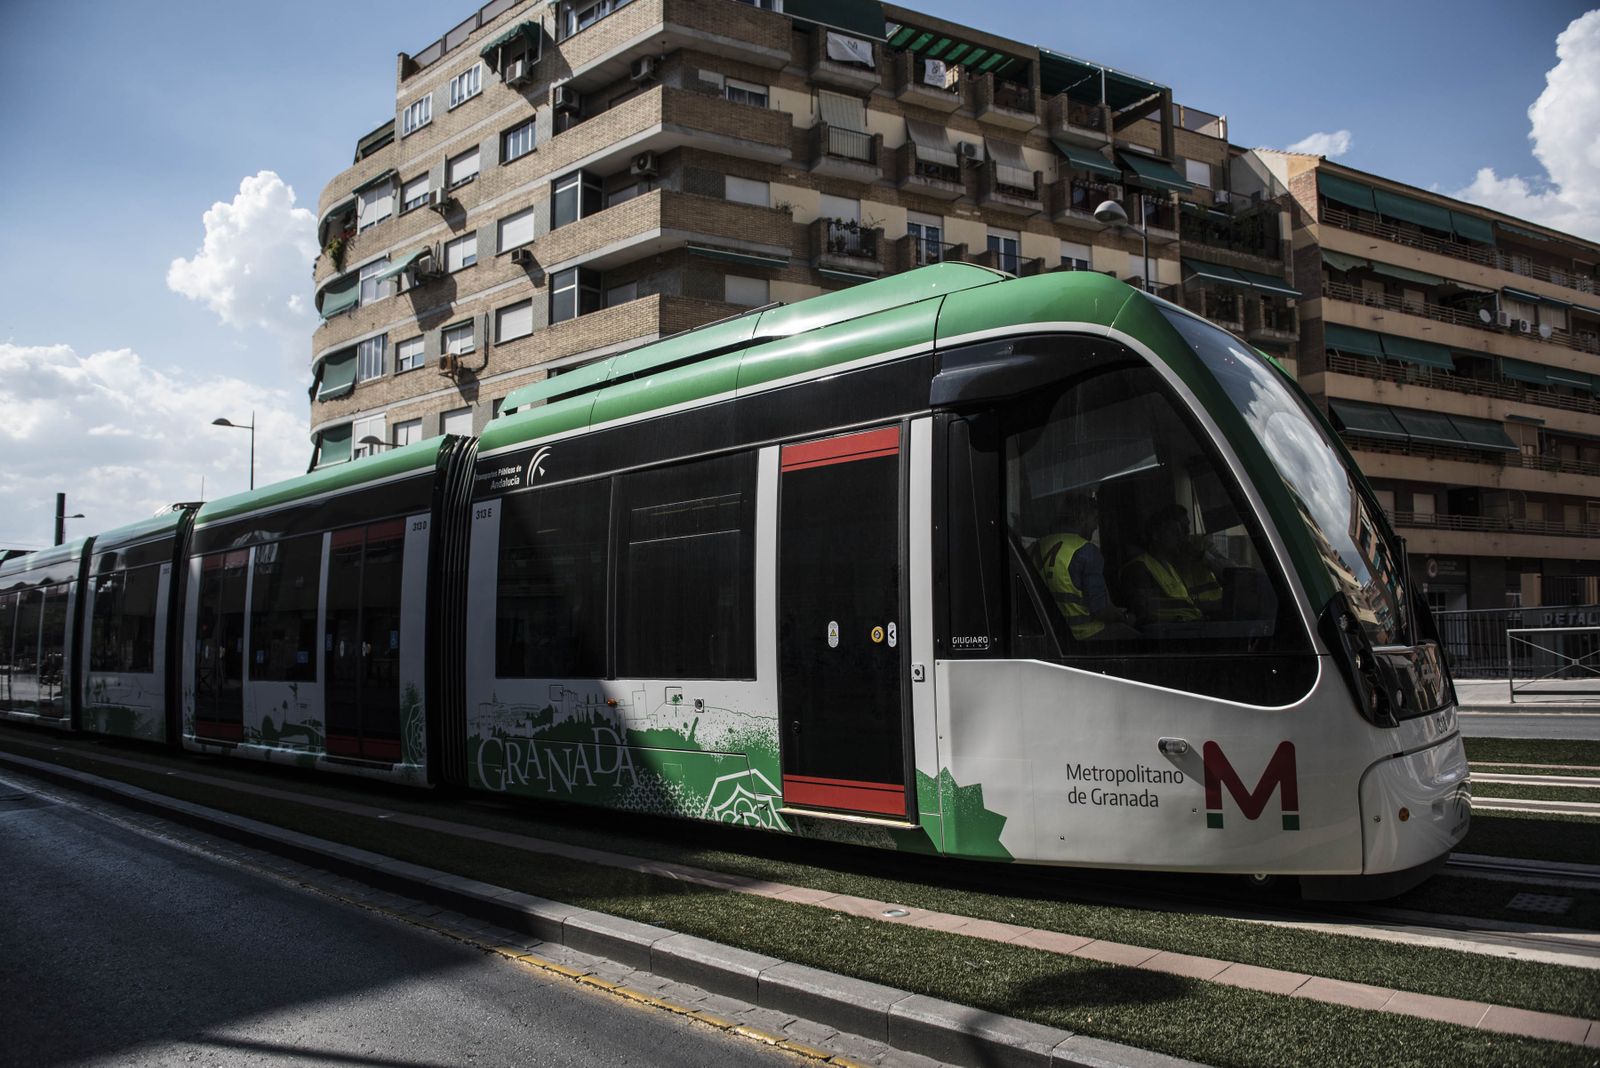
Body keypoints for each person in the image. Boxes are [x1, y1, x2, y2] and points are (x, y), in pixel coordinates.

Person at [1032, 494, 1136, 640]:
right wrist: (1124, 616)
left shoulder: (1034, 547)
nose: (1096, 526)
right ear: (1081, 517)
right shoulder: (1086, 551)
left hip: (1051, 634)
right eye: (1094, 519)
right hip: (1086, 635)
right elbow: (1100, 610)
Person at [1122, 504, 1205, 625]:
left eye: (1180, 532)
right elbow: (1145, 615)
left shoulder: (1170, 567)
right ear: (1156, 535)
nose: (1180, 537)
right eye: (1174, 532)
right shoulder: (1139, 568)